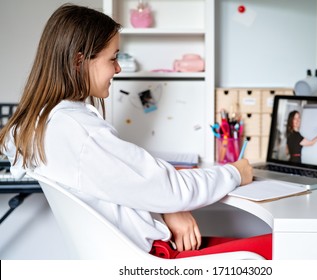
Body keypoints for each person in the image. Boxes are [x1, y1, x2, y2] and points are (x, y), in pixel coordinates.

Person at [0, 4, 271, 259]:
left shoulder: (39, 124)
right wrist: (236, 172)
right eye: (113, 58)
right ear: (79, 61)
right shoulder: (79, 132)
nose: (118, 68)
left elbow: (136, 184)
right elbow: (168, 190)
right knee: (281, 247)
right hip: (154, 257)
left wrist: (166, 204)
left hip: (137, 250)